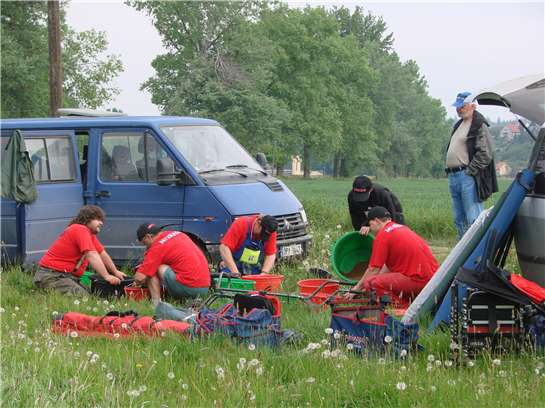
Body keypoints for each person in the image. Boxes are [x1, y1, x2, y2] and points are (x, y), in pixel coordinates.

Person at [345, 206, 438, 305]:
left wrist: (356, 289)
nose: (370, 228)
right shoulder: (401, 228)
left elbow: (373, 269)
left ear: (376, 221)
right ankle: (412, 299)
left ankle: (401, 307)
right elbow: (387, 267)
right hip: (435, 278)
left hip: (418, 280)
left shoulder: (383, 235)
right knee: (373, 282)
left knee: (370, 283)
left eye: (370, 224)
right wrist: (373, 282)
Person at [34, 205, 125, 295]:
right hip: (51, 276)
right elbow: (92, 254)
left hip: (65, 276)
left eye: (101, 220)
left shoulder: (89, 234)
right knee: (83, 297)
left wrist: (115, 271)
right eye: (97, 219)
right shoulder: (79, 229)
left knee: (93, 294)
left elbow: (102, 253)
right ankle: (44, 292)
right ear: (87, 219)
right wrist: (106, 276)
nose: (101, 223)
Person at [446, 91, 498, 239]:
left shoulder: (479, 125)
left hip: (468, 176)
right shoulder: (459, 125)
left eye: (462, 106)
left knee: (473, 217)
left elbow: (485, 153)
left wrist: (470, 171)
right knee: (459, 217)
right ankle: (462, 250)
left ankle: (475, 250)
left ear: (473, 106)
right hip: (454, 175)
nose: (459, 109)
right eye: (457, 106)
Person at [133, 224, 210, 304]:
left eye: (144, 243)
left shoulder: (157, 247)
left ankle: (156, 304)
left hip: (190, 288)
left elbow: (140, 277)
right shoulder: (178, 234)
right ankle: (190, 298)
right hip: (205, 287)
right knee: (155, 266)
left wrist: (136, 282)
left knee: (152, 269)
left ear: (148, 237)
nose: (146, 246)